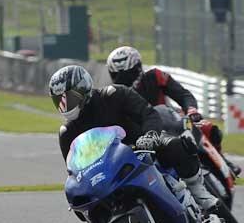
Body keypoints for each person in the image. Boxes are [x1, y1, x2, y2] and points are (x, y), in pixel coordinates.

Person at [49, 65, 218, 211]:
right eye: (60, 101)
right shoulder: (67, 132)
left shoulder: (114, 94)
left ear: (83, 89)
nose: (65, 105)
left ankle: (198, 191)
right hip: (108, 169)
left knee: (177, 145)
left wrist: (150, 135)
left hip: (143, 146)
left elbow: (148, 114)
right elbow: (74, 170)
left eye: (69, 98)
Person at [107, 46, 240, 175]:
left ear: (138, 69)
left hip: (174, 122)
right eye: (117, 75)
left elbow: (183, 95)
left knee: (208, 128)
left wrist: (191, 111)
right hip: (147, 138)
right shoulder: (114, 95)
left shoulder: (155, 76)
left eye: (126, 74)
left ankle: (225, 163)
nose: (122, 79)